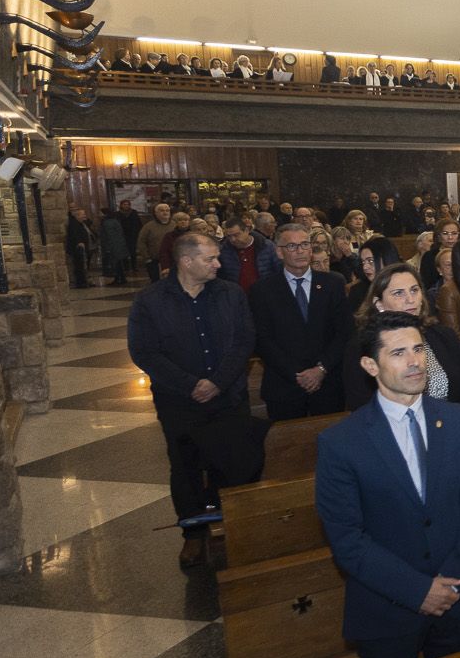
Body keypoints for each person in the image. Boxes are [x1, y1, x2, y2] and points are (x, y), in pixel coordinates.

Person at [314, 311, 460, 658]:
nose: (414, 361)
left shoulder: (458, 420)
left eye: (418, 349)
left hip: (456, 600)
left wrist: (452, 578)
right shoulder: (341, 442)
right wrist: (418, 591)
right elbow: (348, 539)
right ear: (370, 365)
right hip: (387, 610)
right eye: (398, 353)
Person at [127, 232, 256, 568]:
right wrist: (190, 385)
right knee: (185, 467)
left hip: (228, 396)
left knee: (230, 463)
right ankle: (193, 535)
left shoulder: (230, 293)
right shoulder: (151, 301)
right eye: (210, 258)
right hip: (179, 402)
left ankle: (229, 528)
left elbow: (244, 341)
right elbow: (144, 351)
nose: (218, 264)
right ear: (186, 261)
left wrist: (217, 381)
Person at [341, 264, 460, 430]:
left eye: (414, 290)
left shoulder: (443, 335)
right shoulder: (361, 347)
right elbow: (361, 407)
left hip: (453, 434)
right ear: (379, 304)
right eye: (399, 293)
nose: (410, 299)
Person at [249, 223, 352, 421]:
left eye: (305, 244)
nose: (300, 251)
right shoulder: (262, 290)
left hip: (328, 383)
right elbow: (262, 339)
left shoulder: (333, 283)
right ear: (279, 252)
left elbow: (344, 332)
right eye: (292, 246)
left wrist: (321, 370)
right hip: (284, 385)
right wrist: (298, 374)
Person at [217, 218, 281, 292]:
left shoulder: (267, 246)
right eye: (229, 236)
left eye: (236, 235)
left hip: (265, 292)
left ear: (246, 231)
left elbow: (279, 270)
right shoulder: (224, 250)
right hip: (236, 295)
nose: (233, 239)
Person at [420, 219, 460, 291]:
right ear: (438, 236)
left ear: (459, 236)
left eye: (454, 233)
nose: (450, 237)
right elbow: (426, 283)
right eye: (445, 233)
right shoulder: (429, 256)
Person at [136, 202, 174, 282]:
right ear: (156, 213)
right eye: (162, 210)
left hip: (172, 260)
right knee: (156, 282)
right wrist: (147, 258)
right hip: (154, 260)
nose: (165, 212)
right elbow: (141, 242)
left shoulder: (174, 225)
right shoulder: (148, 227)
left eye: (167, 210)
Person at [99, 208, 130, 286]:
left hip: (113, 246)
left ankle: (120, 278)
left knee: (116, 263)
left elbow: (109, 237)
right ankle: (120, 278)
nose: (99, 215)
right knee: (118, 263)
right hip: (118, 245)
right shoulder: (114, 221)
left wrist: (107, 248)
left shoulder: (107, 223)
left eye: (100, 213)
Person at [65, 207, 96, 288]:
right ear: (77, 216)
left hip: (86, 248)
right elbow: (74, 235)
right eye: (83, 214)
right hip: (78, 250)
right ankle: (81, 282)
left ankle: (86, 281)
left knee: (85, 266)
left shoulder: (83, 223)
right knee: (79, 267)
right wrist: (79, 242)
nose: (85, 216)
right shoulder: (74, 224)